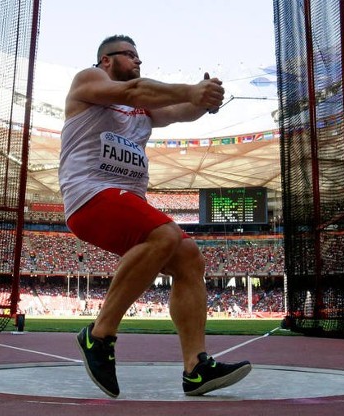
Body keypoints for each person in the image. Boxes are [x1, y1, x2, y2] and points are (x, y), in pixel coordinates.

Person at [58, 34, 251, 398]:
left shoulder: (143, 111)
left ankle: (196, 368)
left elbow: (180, 111)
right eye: (129, 55)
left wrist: (205, 99)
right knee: (164, 234)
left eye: (138, 56)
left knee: (189, 257)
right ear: (106, 61)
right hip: (89, 194)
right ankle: (98, 336)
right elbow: (134, 90)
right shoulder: (87, 81)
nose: (137, 61)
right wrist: (190, 90)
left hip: (124, 200)